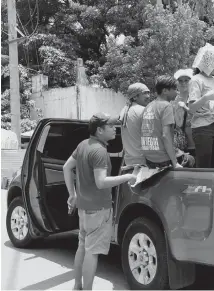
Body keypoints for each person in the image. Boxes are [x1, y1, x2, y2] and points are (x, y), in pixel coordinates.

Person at [63, 112, 137, 290]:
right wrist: (127, 177)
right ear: (99, 130)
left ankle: (77, 286)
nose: (114, 129)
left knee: (82, 247)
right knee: (92, 252)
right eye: (110, 126)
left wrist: (72, 194)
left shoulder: (83, 145)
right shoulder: (99, 151)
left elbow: (66, 167)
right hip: (98, 210)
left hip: (84, 209)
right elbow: (101, 182)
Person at [188, 43, 214, 168]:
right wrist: (206, 97)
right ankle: (202, 188)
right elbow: (191, 108)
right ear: (207, 62)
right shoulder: (196, 79)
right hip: (202, 127)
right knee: (204, 166)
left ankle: (213, 188)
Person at [141, 75, 188, 168]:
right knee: (190, 160)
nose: (177, 92)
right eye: (175, 89)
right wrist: (175, 162)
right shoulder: (167, 106)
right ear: (165, 91)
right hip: (162, 158)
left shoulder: (149, 106)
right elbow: (166, 135)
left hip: (149, 156)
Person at [119, 83, 150, 166]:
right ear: (135, 97)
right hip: (145, 163)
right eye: (144, 93)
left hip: (130, 162)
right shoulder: (144, 111)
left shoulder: (124, 110)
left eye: (148, 93)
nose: (148, 96)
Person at [172, 68, 196, 157]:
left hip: (196, 142)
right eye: (180, 80)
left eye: (186, 80)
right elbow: (177, 123)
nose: (183, 83)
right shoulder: (172, 101)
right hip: (180, 145)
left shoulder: (196, 98)